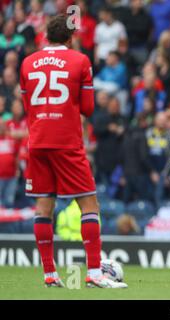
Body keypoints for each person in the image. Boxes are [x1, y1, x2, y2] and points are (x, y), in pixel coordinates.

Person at [19, 15, 127, 289]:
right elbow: (88, 109)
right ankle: (93, 273)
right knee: (89, 206)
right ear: (70, 37)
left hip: (38, 141)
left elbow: (26, 106)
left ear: (46, 36)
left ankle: (50, 275)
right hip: (66, 141)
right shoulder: (80, 61)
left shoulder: (27, 62)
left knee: (43, 209)